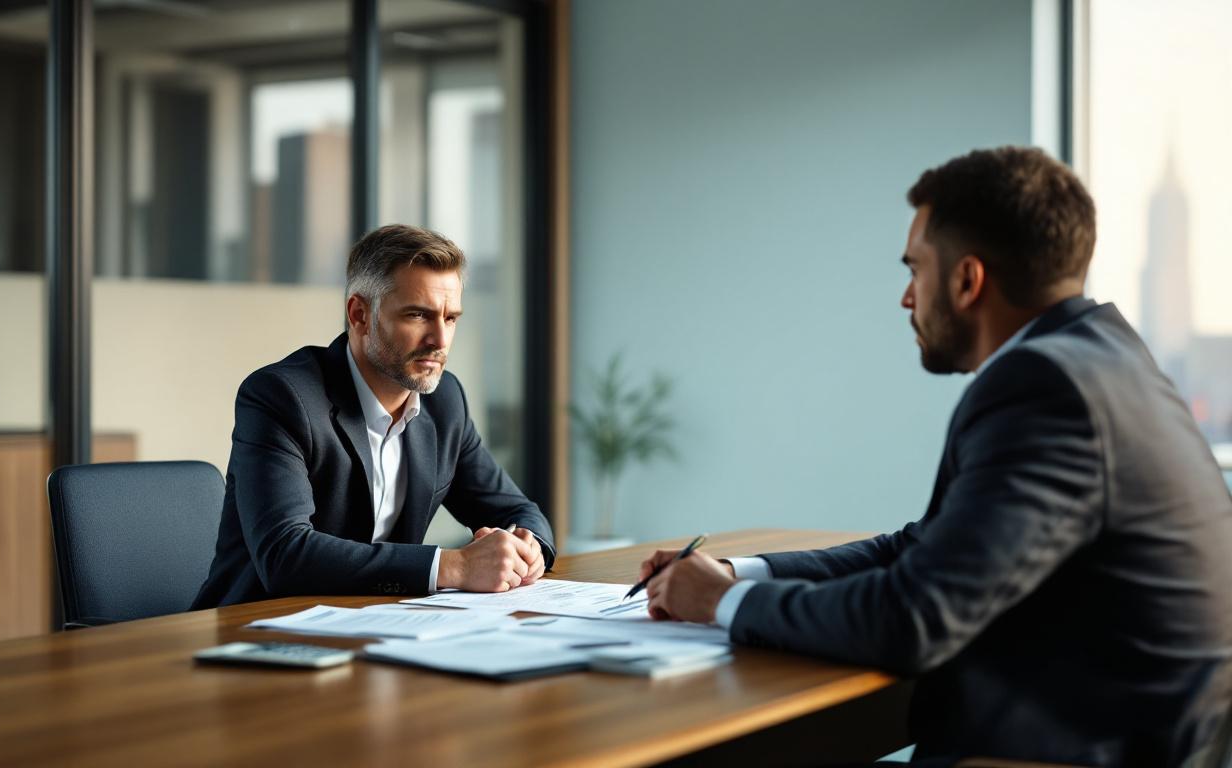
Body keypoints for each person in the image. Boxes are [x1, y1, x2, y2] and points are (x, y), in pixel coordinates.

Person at [639, 147, 1232, 766]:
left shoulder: (1043, 387)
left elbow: (913, 620)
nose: (905, 297)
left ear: (966, 280)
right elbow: (919, 549)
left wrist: (719, 604)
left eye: (914, 269)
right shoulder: (1107, 362)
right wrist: (739, 574)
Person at [194, 224, 554, 608]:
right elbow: (285, 554)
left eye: (450, 318)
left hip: (377, 629)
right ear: (360, 314)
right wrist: (454, 566)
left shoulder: (444, 401)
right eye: (418, 315)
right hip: (254, 635)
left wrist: (526, 547)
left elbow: (519, 511)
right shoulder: (282, 397)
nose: (440, 340)